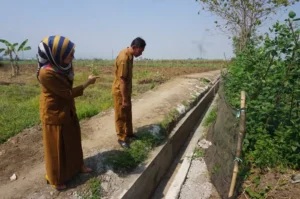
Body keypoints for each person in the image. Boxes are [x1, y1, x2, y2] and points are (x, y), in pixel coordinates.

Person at [37, 35, 99, 190]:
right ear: (57, 54)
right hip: (54, 114)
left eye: (72, 53)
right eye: (69, 54)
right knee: (56, 148)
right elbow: (67, 93)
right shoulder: (46, 73)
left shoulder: (64, 66)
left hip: (67, 109)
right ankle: (55, 178)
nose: (73, 57)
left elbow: (68, 89)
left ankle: (78, 166)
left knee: (73, 140)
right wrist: (87, 83)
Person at [112, 37, 146, 149]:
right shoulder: (123, 58)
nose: (140, 54)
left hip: (126, 90)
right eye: (140, 51)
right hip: (120, 92)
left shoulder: (130, 55)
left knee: (128, 113)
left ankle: (129, 134)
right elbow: (122, 80)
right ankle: (121, 138)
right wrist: (125, 99)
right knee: (121, 114)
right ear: (134, 47)